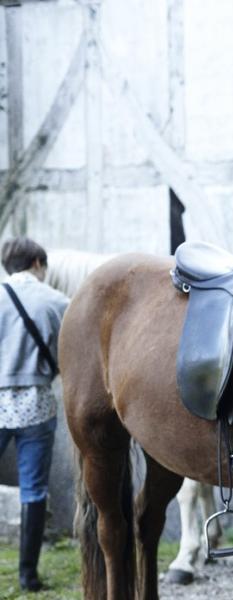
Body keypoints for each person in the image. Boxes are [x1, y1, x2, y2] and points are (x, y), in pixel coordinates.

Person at [0, 237, 70, 592]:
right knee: (34, 489)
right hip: (37, 404)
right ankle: (28, 576)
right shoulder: (57, 301)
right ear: (38, 263)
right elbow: (70, 352)